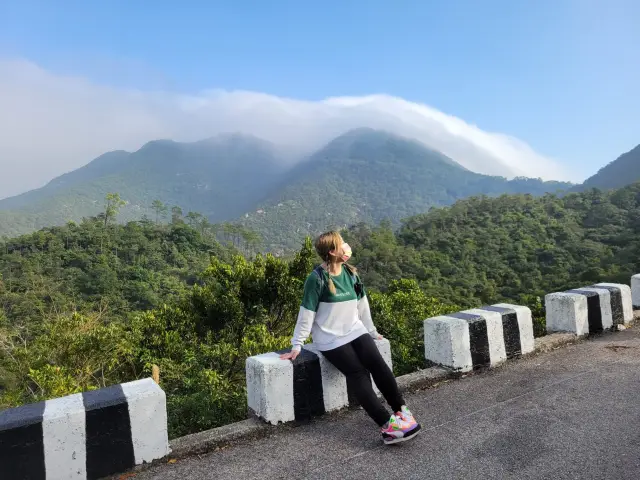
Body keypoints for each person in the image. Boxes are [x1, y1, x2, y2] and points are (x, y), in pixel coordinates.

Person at [279, 230, 421, 445]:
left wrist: (371, 331)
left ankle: (401, 411)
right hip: (330, 337)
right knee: (358, 373)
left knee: (378, 364)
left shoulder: (350, 273)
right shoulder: (317, 279)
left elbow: (362, 305)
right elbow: (306, 313)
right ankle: (388, 427)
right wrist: (297, 344)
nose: (347, 245)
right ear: (333, 251)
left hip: (354, 329)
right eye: (342, 243)